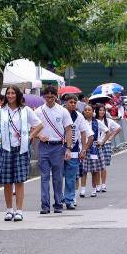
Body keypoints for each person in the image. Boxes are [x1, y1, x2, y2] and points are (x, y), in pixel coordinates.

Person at [0, 86, 43, 222]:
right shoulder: (0, 110)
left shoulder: (25, 110)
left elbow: (39, 125)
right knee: (7, 181)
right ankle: (9, 210)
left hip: (21, 149)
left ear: (18, 95)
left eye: (12, 93)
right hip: (5, 148)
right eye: (8, 93)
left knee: (19, 180)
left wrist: (29, 136)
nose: (10, 95)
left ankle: (19, 210)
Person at [34, 85, 73, 214]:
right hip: (44, 146)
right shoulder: (38, 111)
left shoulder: (63, 111)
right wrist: (39, 135)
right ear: (44, 97)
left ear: (56, 96)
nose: (49, 99)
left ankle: (58, 204)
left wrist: (68, 148)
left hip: (58, 147)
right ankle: (45, 205)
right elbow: (31, 129)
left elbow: (68, 130)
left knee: (57, 177)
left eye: (52, 97)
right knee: (44, 177)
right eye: (47, 97)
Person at [61, 94, 90, 208]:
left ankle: (69, 199)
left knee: (71, 177)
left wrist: (83, 149)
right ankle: (59, 198)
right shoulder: (61, 113)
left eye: (74, 102)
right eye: (70, 102)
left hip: (74, 149)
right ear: (66, 103)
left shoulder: (79, 116)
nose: (73, 104)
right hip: (60, 148)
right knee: (58, 177)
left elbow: (83, 132)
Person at [81, 105, 110, 197]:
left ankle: (94, 189)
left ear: (93, 111)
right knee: (83, 170)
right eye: (85, 110)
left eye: (89, 110)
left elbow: (107, 132)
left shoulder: (97, 122)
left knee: (95, 170)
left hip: (94, 148)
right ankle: (83, 190)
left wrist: (102, 142)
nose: (87, 111)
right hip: (84, 147)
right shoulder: (81, 122)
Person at [95, 105, 121, 192]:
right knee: (96, 166)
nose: (102, 112)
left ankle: (103, 184)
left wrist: (111, 136)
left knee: (103, 166)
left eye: (103, 110)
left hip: (106, 144)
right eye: (100, 110)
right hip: (96, 144)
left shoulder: (109, 121)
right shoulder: (94, 121)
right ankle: (97, 185)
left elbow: (118, 128)